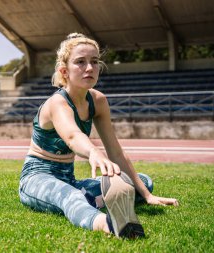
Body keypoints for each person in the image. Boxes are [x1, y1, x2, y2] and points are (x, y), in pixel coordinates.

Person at [19, 33, 179, 239]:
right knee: (72, 197)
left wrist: (147, 196)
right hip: (37, 178)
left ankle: (91, 199)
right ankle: (110, 225)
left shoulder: (98, 101)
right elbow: (72, 136)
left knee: (140, 182)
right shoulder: (57, 103)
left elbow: (115, 151)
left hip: (69, 178)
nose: (89, 68)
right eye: (80, 62)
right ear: (64, 71)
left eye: (94, 62)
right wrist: (93, 152)